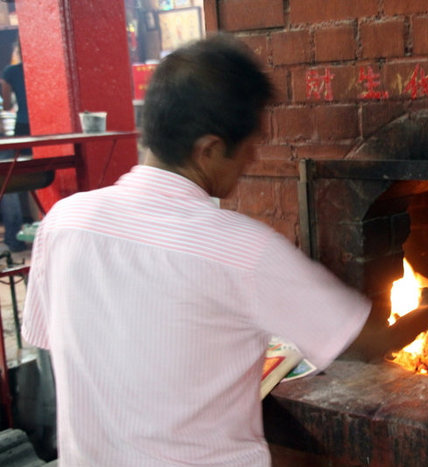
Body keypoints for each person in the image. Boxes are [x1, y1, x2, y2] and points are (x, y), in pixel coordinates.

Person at [21, 34, 372, 466]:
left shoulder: (62, 224)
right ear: (209, 149)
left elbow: (57, 342)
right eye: (249, 148)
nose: (253, 161)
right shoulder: (244, 248)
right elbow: (360, 341)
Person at [0, 40, 29, 252]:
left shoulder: (11, 72)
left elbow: (7, 104)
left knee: (8, 181)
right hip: (44, 126)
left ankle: (13, 236)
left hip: (21, 128)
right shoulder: (41, 68)